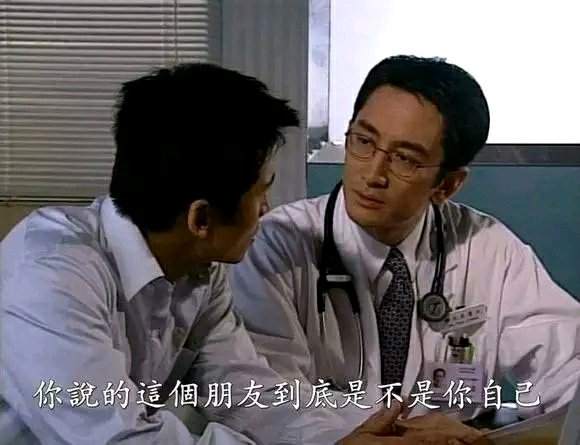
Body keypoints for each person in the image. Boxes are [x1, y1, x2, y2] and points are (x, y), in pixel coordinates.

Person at [0, 62, 486, 445]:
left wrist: (371, 433)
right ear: (202, 219)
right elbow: (123, 438)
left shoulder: (197, 269)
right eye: (261, 192)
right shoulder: (50, 276)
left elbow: (247, 394)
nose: (268, 209)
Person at [229, 55, 580, 427]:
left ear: (447, 184)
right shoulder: (278, 245)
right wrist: (401, 434)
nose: (373, 173)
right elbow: (268, 397)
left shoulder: (491, 251)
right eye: (364, 141)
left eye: (405, 160)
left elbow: (568, 366)